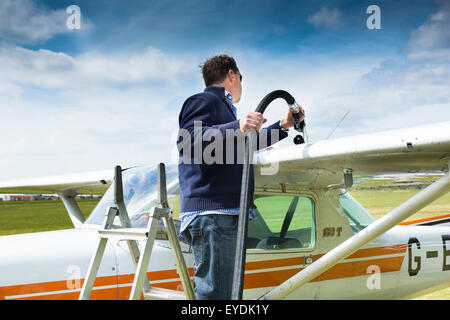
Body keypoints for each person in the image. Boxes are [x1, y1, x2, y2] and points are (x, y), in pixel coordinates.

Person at [176, 55, 304, 299]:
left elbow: (243, 145)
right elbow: (189, 141)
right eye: (241, 79)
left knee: (226, 294)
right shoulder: (204, 100)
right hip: (214, 214)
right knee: (216, 296)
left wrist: (283, 126)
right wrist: (238, 125)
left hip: (224, 215)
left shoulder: (224, 113)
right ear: (232, 75)